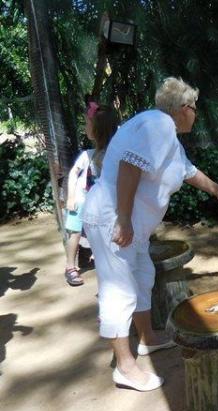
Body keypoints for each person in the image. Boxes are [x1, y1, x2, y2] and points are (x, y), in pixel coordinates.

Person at [82, 77, 218, 391]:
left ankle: (148, 338)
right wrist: (123, 218)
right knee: (118, 289)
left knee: (142, 275)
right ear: (182, 108)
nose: (196, 114)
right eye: (194, 108)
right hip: (113, 220)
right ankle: (124, 367)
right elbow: (128, 167)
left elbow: (188, 172)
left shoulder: (168, 136)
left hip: (133, 227)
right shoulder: (159, 125)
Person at [64, 102, 119, 286]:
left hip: (99, 205)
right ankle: (70, 267)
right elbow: (73, 173)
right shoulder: (87, 155)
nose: (85, 127)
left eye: (88, 124)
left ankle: (98, 258)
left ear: (98, 130)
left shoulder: (112, 155)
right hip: (80, 200)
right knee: (75, 232)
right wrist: (71, 197)